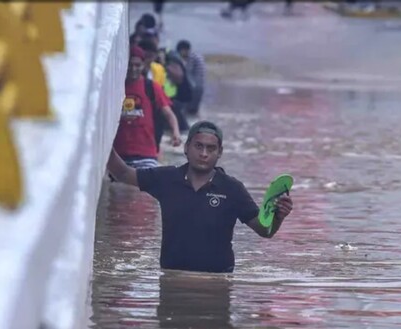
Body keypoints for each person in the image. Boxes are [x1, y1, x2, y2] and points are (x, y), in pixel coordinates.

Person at [107, 120, 294, 273]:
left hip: (217, 281)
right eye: (199, 146)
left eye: (211, 148)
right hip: (172, 277)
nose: (204, 154)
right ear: (186, 148)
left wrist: (278, 216)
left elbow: (264, 231)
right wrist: (101, 134)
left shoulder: (232, 189)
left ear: (219, 152)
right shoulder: (166, 179)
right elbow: (123, 173)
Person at [113, 46, 181, 170]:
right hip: (119, 154)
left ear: (144, 65)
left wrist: (175, 132)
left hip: (146, 153)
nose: (133, 69)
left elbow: (169, 114)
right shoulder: (116, 87)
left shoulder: (152, 87)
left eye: (137, 65)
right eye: (130, 65)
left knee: (146, 188)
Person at [176, 40, 206, 116]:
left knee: (188, 112)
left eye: (180, 52)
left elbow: (186, 72)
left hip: (194, 88)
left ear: (184, 50)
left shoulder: (191, 58)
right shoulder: (196, 56)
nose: (180, 55)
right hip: (200, 86)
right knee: (194, 111)